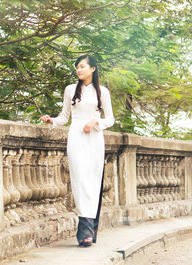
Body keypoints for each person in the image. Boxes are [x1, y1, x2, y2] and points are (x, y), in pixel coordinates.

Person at [39, 54, 114, 247]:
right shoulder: (70, 89)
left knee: (93, 181)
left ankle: (86, 233)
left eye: (82, 66)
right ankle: (86, 230)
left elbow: (110, 120)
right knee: (79, 180)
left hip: (95, 140)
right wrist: (52, 120)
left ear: (93, 69)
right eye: (77, 67)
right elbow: (64, 117)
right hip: (76, 138)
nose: (78, 70)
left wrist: (95, 122)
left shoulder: (102, 92)